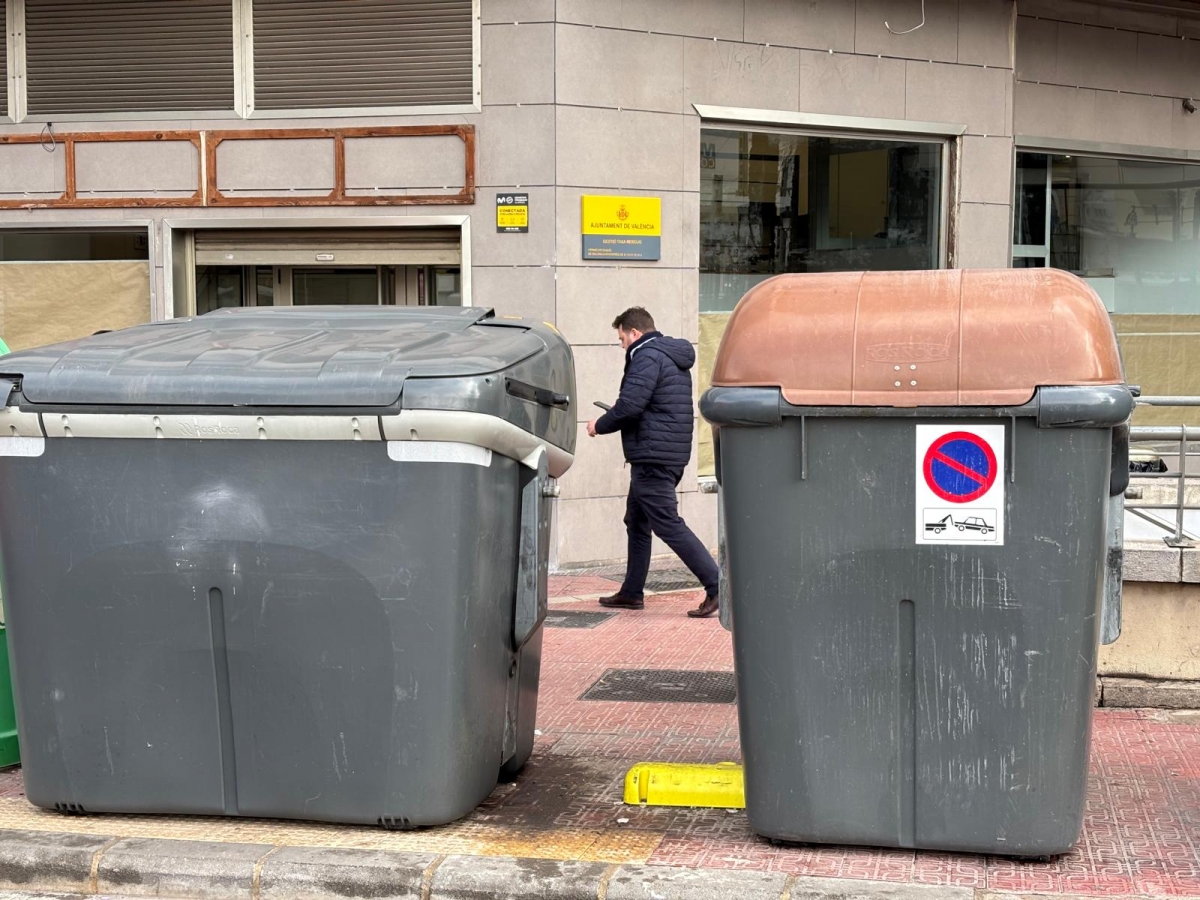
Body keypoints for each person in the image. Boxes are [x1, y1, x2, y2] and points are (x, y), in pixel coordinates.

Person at [587, 307, 719, 619]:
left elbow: (631, 405)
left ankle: (717, 586)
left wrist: (599, 425)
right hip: (666, 452)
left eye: (621, 338)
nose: (621, 345)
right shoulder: (670, 355)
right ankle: (632, 593)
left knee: (667, 523)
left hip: (652, 456)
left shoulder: (646, 356)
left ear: (634, 332)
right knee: (637, 520)